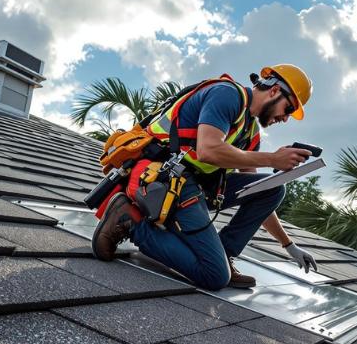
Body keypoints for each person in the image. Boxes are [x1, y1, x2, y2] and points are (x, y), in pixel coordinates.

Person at [92, 64, 319, 290]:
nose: (285, 118)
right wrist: (272, 159)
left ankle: (224, 254)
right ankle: (130, 222)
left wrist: (288, 245)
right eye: (288, 108)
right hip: (161, 178)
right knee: (214, 276)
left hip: (191, 185)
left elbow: (257, 191)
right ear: (274, 90)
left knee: (272, 188)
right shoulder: (227, 95)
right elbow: (207, 150)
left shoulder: (250, 132)